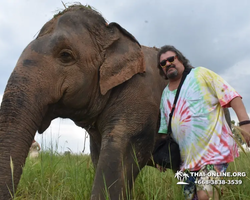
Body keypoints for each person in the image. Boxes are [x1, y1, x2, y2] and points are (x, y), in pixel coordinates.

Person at [156, 45, 250, 200]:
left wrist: (245, 123)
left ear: (180, 59)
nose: (168, 64)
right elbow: (165, 128)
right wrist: (162, 154)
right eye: (163, 63)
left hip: (213, 152)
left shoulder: (200, 74)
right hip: (185, 161)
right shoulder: (165, 94)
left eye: (171, 59)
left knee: (205, 196)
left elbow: (232, 96)